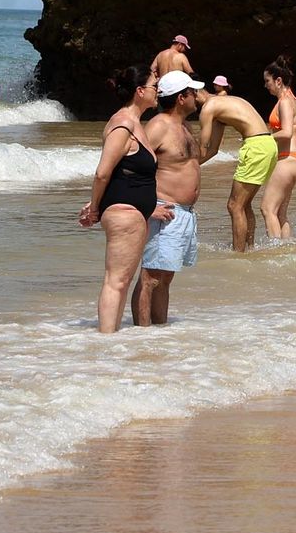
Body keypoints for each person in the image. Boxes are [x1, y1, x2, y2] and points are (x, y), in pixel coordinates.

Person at [79, 67, 174, 333]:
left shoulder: (136, 124)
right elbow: (102, 172)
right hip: (124, 213)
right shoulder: (122, 124)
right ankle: (105, 341)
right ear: (139, 91)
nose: (159, 92)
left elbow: (126, 176)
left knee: (122, 280)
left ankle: (113, 340)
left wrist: (150, 206)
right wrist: (95, 206)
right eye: (155, 86)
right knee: (117, 281)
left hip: (134, 212)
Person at [134, 70, 204, 326]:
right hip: (164, 210)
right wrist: (148, 205)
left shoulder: (184, 126)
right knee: (150, 278)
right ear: (180, 98)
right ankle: (142, 337)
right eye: (192, 92)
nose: (197, 97)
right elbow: (132, 164)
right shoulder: (158, 126)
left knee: (164, 279)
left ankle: (160, 336)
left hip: (183, 213)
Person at [198, 89, 278, 251]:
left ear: (192, 93)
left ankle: (239, 255)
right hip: (267, 144)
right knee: (244, 204)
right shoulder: (222, 105)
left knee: (234, 206)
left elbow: (202, 146)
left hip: (256, 147)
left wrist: (184, 166)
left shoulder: (208, 107)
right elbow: (213, 150)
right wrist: (194, 165)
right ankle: (249, 248)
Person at [262, 55, 296, 240]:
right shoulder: (291, 99)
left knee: (267, 209)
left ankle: (276, 253)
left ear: (278, 81)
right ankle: (286, 251)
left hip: (288, 159)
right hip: (294, 160)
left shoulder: (285, 102)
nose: (266, 85)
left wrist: (263, 139)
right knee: (280, 213)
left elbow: (287, 132)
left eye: (267, 81)